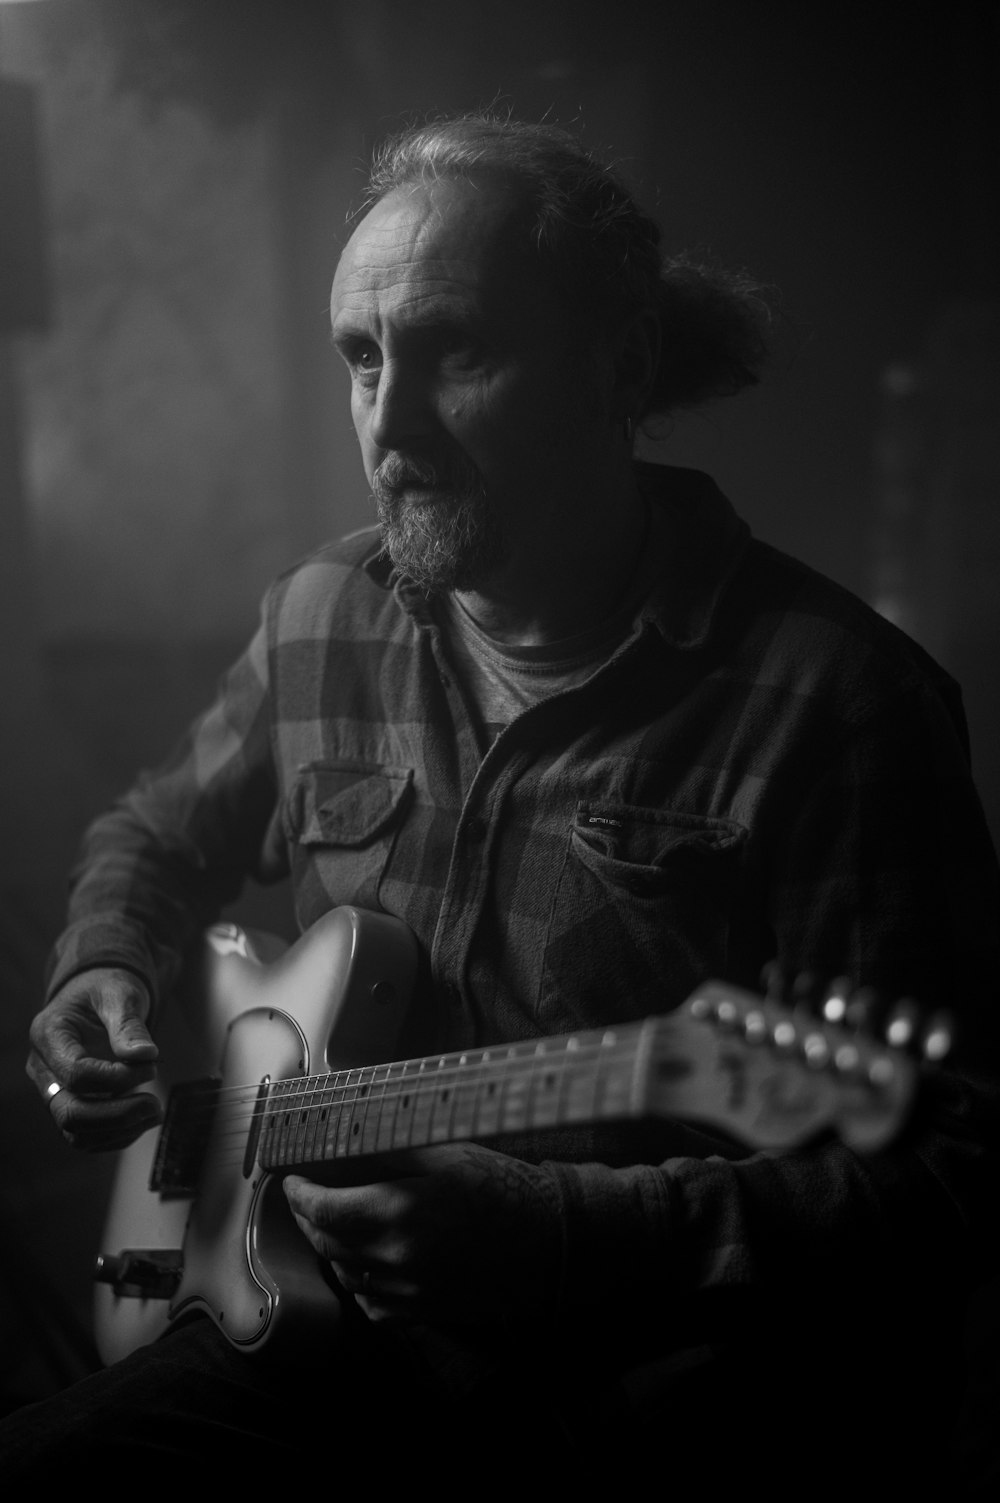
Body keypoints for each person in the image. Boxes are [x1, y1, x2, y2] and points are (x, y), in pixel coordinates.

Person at [4, 112, 999, 1491]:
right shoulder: (317, 620)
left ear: (621, 367)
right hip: (303, 1328)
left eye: (455, 351)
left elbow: (955, 1178)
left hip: (654, 1400)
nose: (390, 426)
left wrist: (564, 1235)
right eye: (361, 359)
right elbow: (157, 833)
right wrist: (103, 962)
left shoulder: (841, 706)